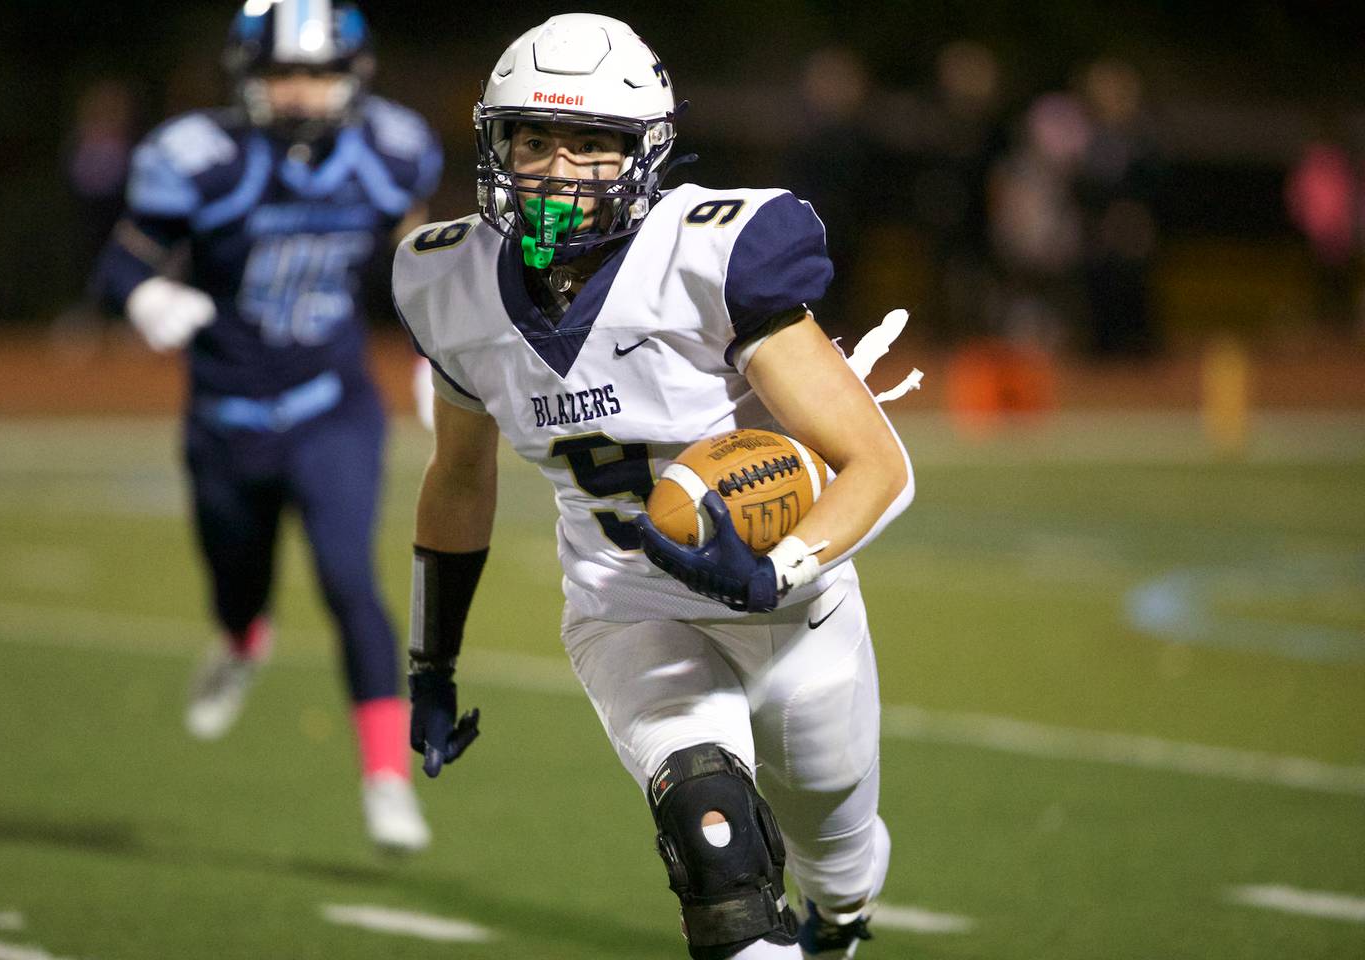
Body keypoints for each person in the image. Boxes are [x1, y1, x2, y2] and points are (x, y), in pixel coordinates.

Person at [393, 14, 915, 958]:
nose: (557, 169)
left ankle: (838, 921)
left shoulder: (713, 252)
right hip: (629, 610)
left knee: (836, 859)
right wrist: (430, 664)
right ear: (495, 141)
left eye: (593, 145)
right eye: (534, 139)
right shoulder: (449, 279)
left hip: (789, 609)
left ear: (646, 154)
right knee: (715, 845)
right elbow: (458, 478)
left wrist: (780, 569)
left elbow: (878, 464)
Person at [94, 0, 441, 851]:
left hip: (331, 402)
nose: (299, 94)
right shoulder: (198, 159)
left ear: (352, 79)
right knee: (237, 587)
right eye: (283, 74)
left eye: (317, 75)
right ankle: (242, 638)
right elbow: (119, 260)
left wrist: (444, 351)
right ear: (248, 79)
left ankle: (386, 777)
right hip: (225, 413)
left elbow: (425, 258)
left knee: (346, 576)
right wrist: (144, 294)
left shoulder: (390, 151)